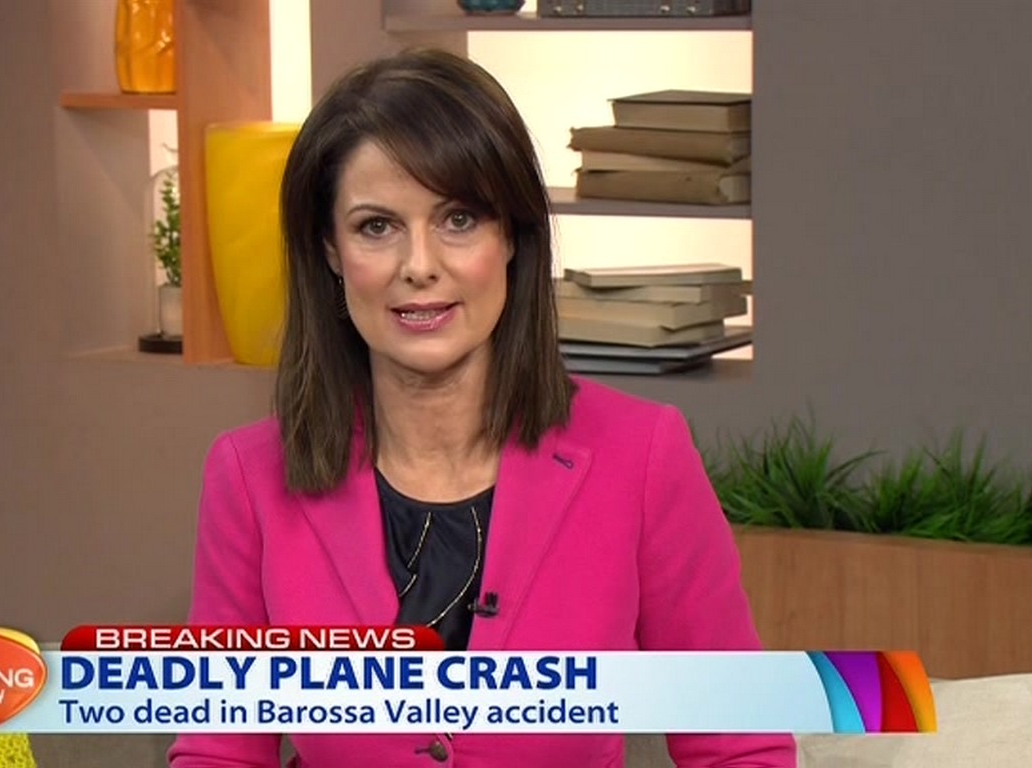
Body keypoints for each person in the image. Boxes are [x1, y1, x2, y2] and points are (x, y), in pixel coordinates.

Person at [169, 49, 796, 768]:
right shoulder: (250, 477)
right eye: (376, 227)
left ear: (511, 238)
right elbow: (219, 751)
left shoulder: (642, 456)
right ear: (331, 251)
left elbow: (740, 747)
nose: (420, 266)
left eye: (459, 219)